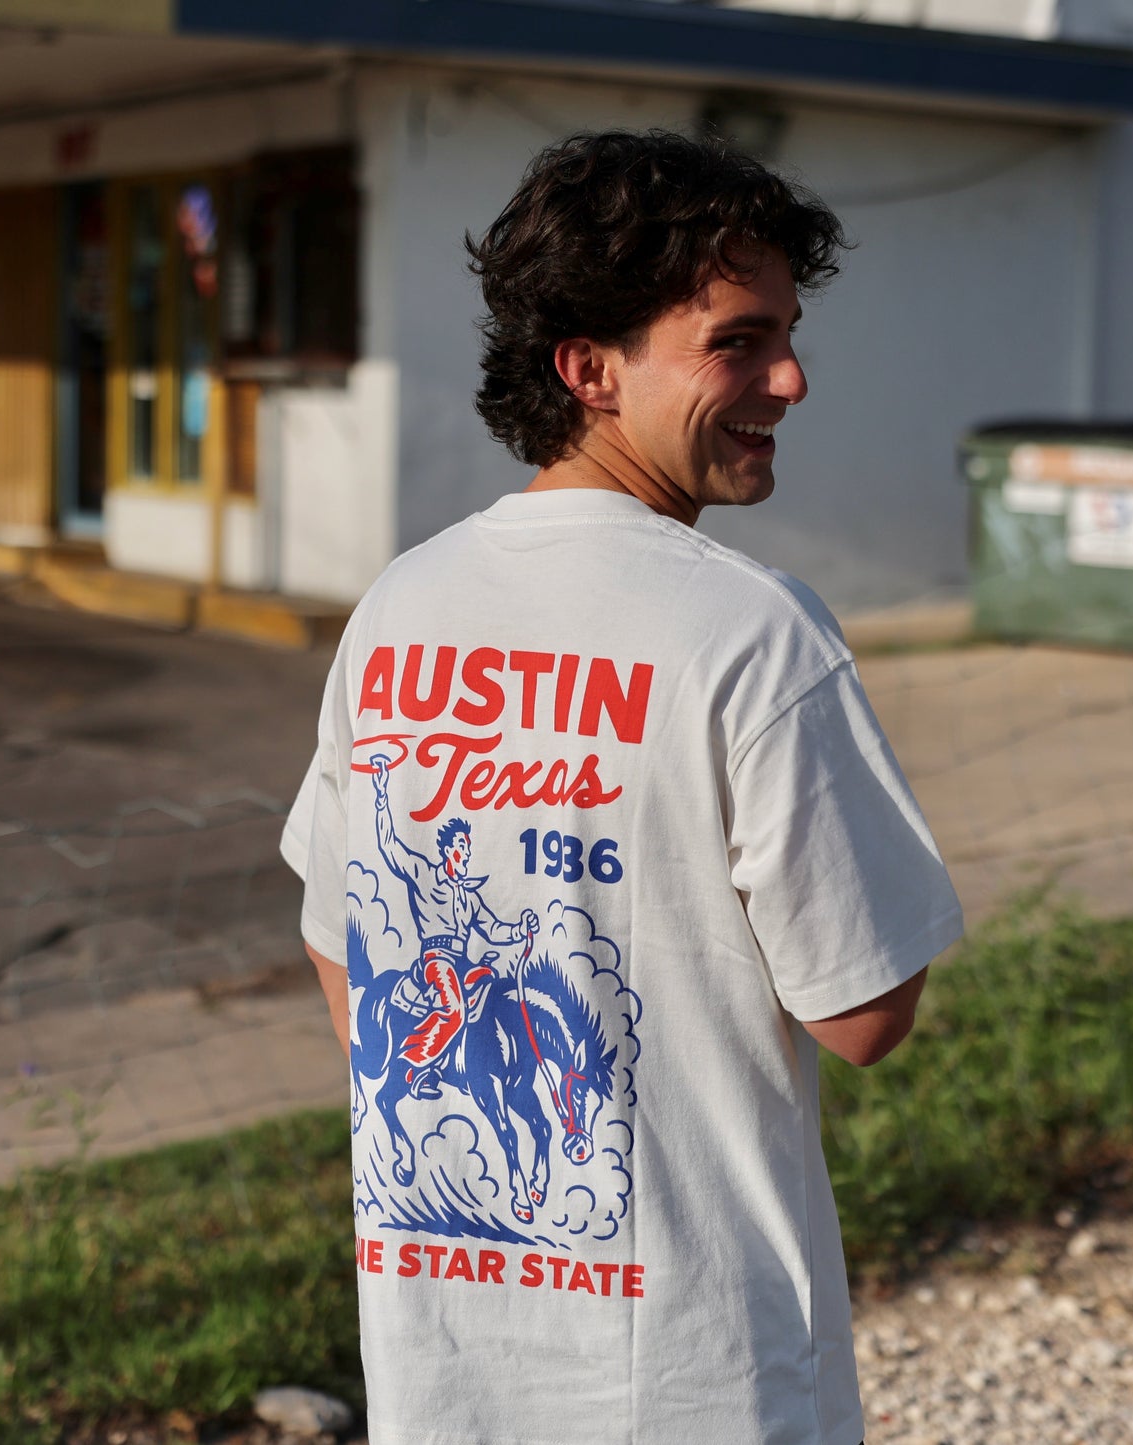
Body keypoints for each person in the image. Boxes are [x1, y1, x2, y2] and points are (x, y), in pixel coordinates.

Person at [281, 128, 962, 1445]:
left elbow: (342, 950)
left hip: (451, 1365)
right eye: (738, 341)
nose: (792, 377)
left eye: (787, 333)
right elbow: (864, 1011)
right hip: (696, 1379)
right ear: (587, 367)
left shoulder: (399, 608)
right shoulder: (754, 633)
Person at [369, 754, 539, 1099]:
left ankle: (474, 1064)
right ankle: (415, 1068)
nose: (466, 852)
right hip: (436, 960)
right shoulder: (424, 874)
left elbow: (493, 929)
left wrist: (520, 928)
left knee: (488, 983)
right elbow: (389, 847)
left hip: (462, 962)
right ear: (448, 850)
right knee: (453, 1009)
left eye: (468, 846)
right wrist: (382, 795)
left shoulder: (469, 896)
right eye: (462, 846)